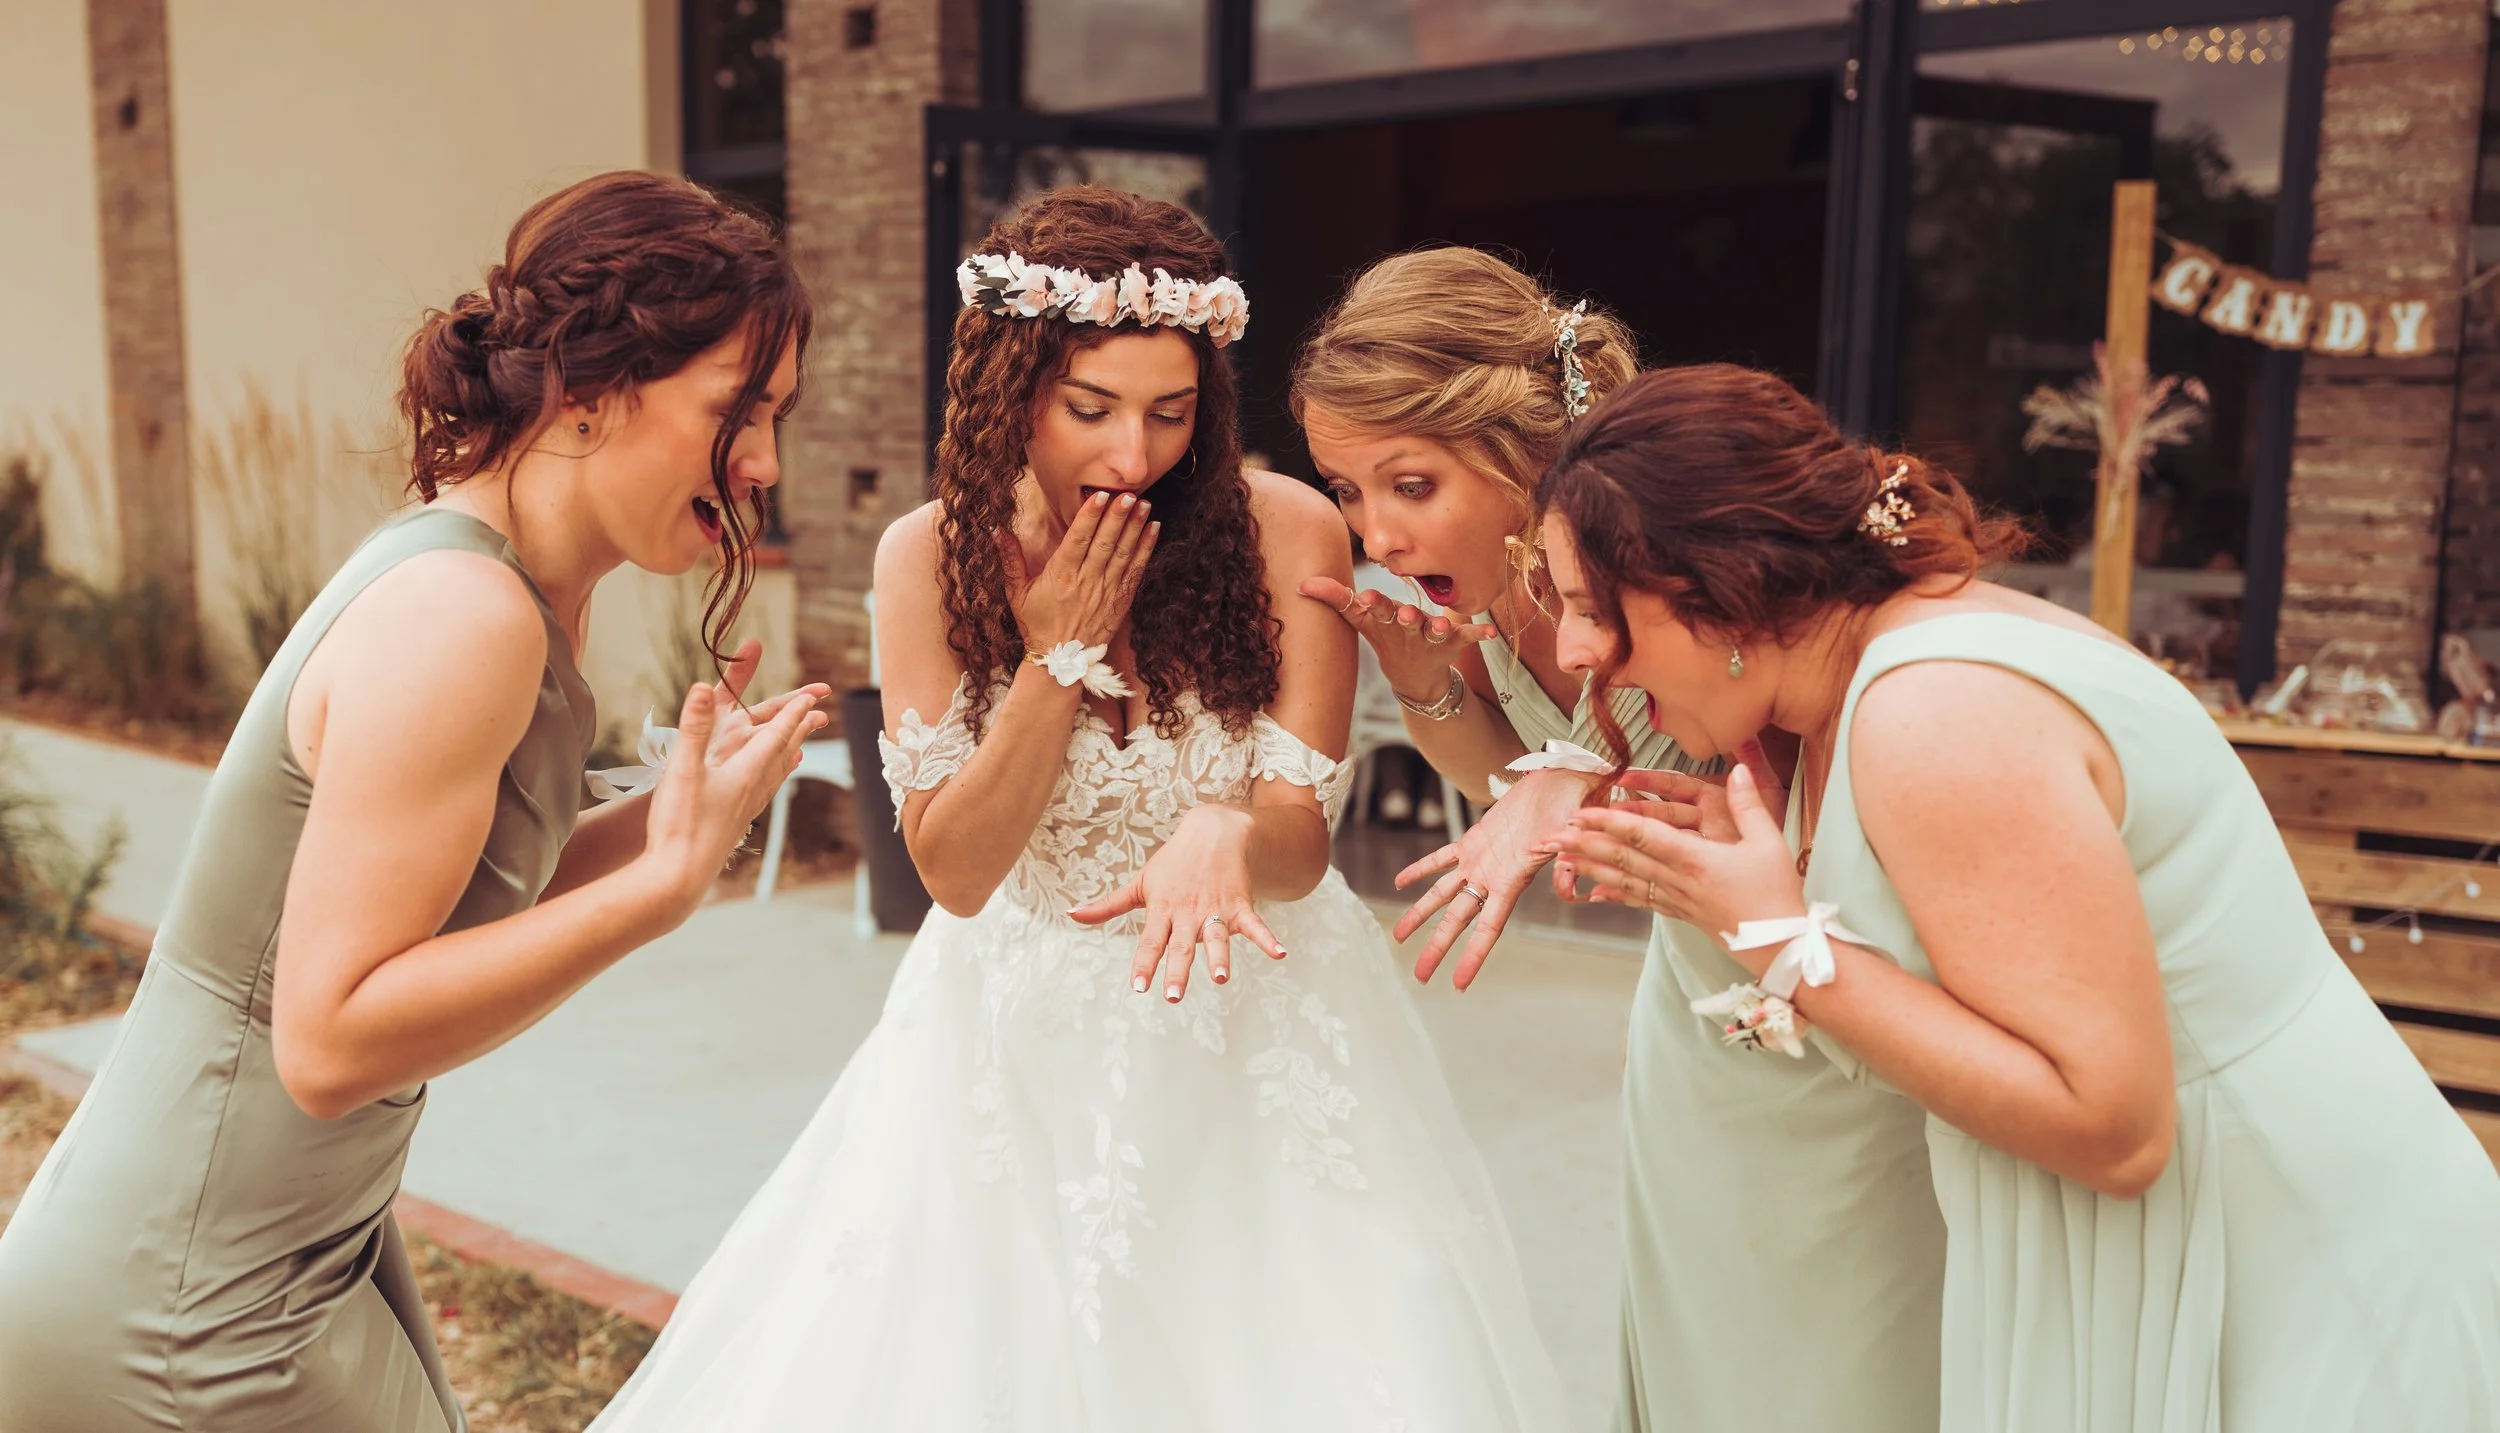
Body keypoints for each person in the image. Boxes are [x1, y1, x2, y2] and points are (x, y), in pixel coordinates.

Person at [583, 187, 1565, 1432]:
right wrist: (1057, 659)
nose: (1133, 455)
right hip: (1014, 1039)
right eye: (1089, 409)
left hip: (1255, 1021)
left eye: (1172, 410)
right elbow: (953, 869)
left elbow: (1302, 840)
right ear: (1009, 385)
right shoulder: (924, 558)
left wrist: (1223, 831)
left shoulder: (1287, 529)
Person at [0, 171, 830, 1433]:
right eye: (737, 410)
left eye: (777, 417)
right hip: (188, 1306)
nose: (765, 461)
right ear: (590, 392)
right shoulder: (463, 616)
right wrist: (658, 895)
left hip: (267, 1258)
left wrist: (666, 823)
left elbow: (449, 901)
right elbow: (329, 1041)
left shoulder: (517, 585)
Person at [1541, 363, 2500, 1433]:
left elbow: (2116, 1128)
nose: (1576, 651)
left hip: (2278, 1260)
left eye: (1593, 606)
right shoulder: (1874, 672)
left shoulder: (1935, 711)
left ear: (1723, 581)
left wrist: (1770, 934)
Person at [1291, 250, 1944, 1433]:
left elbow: (1795, 798)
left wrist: (1573, 784)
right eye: (1344, 491)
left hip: (1823, 981)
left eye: (1408, 484)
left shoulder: (1673, 558)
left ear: (1512, 452)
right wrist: (1431, 684)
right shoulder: (1480, 596)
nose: (1376, 533)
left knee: (1836, 1348)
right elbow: (1511, 795)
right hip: (1692, 1002)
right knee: (1703, 1336)